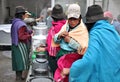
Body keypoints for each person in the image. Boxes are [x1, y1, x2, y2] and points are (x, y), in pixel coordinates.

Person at [69, 5, 120, 82]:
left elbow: (89, 61)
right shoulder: (113, 31)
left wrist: (74, 68)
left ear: (89, 23)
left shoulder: (95, 33)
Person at [53, 4, 89, 82]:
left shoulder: (82, 30)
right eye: (70, 19)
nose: (72, 22)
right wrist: (59, 36)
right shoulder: (65, 26)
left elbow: (83, 49)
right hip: (62, 57)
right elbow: (55, 40)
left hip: (73, 60)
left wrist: (70, 41)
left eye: (75, 19)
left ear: (79, 18)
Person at [36, 4, 66, 75]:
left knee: (56, 74)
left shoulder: (58, 27)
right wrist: (45, 47)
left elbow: (55, 46)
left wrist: (45, 49)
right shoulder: (59, 25)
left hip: (56, 58)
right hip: (57, 56)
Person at [11, 6, 33, 81]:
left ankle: (18, 77)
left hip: (14, 44)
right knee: (21, 63)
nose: (25, 16)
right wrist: (30, 35)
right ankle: (19, 79)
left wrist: (29, 32)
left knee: (17, 64)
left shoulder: (15, 22)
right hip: (20, 46)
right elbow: (21, 36)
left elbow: (21, 32)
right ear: (21, 15)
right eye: (24, 14)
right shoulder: (21, 24)